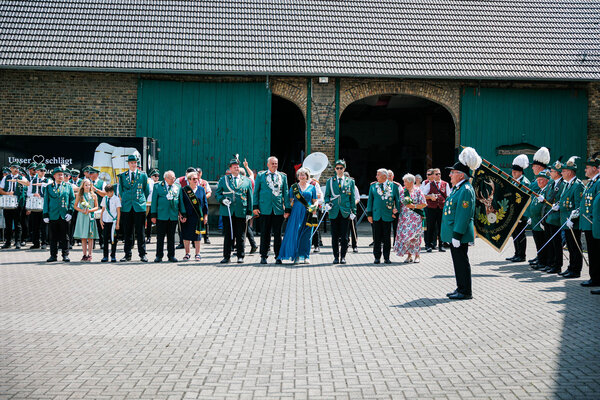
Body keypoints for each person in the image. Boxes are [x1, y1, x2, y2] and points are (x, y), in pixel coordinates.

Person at [441, 147, 481, 300]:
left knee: (461, 262)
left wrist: (457, 235)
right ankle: (460, 287)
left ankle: (465, 291)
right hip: (455, 233)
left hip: (459, 234)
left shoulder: (465, 189)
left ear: (461, 175)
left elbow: (463, 216)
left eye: (453, 172)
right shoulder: (458, 188)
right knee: (458, 262)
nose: (450, 175)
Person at [216, 156, 253, 263]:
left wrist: (249, 212)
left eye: (237, 166)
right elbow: (218, 194)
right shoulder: (224, 180)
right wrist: (222, 200)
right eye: (234, 167)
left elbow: (250, 197)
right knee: (228, 235)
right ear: (230, 169)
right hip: (227, 211)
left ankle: (240, 256)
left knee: (240, 235)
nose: (236, 168)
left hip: (241, 211)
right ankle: (226, 256)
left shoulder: (246, 181)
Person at [253, 156, 290, 264]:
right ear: (268, 164)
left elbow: (286, 193)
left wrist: (287, 208)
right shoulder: (261, 175)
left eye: (276, 163)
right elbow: (256, 192)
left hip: (278, 209)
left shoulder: (282, 176)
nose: (274, 165)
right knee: (265, 233)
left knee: (278, 234)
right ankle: (263, 255)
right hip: (265, 208)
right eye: (272, 163)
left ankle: (278, 256)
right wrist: (255, 206)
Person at [278, 167, 318, 264]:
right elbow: (289, 201)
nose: (302, 176)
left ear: (307, 176)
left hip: (308, 213)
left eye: (304, 175)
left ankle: (306, 256)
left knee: (307, 235)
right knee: (296, 234)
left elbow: (315, 201)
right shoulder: (294, 187)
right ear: (298, 176)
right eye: (300, 175)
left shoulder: (312, 187)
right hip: (296, 213)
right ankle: (296, 256)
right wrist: (286, 210)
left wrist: (314, 207)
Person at [118, 155, 150, 262]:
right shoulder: (123, 176)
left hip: (139, 206)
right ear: (128, 164)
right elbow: (121, 190)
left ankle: (142, 254)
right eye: (131, 163)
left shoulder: (143, 175)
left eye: (135, 162)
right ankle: (127, 254)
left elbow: (146, 190)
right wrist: (126, 199)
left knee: (140, 231)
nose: (133, 164)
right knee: (127, 231)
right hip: (127, 206)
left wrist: (141, 200)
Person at [324, 159, 356, 264]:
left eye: (341, 168)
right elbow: (327, 195)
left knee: (344, 236)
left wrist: (353, 211)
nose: (339, 170)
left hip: (345, 211)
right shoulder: (330, 181)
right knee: (334, 236)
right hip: (334, 211)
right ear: (335, 169)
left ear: (344, 169)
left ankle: (343, 256)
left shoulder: (350, 181)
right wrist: (327, 203)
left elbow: (352, 198)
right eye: (337, 168)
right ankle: (335, 257)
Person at [150, 170, 186, 262]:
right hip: (161, 215)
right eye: (171, 178)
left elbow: (180, 201)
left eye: (174, 178)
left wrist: (183, 213)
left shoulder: (177, 187)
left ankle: (171, 255)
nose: (173, 180)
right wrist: (153, 215)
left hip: (173, 215)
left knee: (171, 237)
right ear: (165, 178)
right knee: (160, 237)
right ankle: (159, 256)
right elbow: (154, 201)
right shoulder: (158, 186)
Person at [367, 168, 400, 264]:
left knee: (387, 237)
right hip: (376, 215)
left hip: (388, 215)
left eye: (378, 175)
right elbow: (370, 201)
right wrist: (369, 214)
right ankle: (377, 257)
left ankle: (386, 257)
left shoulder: (393, 186)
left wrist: (395, 212)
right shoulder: (373, 186)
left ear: (384, 176)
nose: (376, 176)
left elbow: (397, 201)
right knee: (376, 237)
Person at [559, 156, 584, 279]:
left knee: (575, 246)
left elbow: (579, 205)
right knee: (569, 246)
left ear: (569, 172)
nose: (561, 173)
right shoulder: (567, 184)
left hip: (573, 223)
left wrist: (572, 218)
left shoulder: (577, 185)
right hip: (566, 221)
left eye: (563, 171)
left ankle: (575, 270)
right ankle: (570, 267)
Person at [43, 166, 75, 262]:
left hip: (64, 215)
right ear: (54, 176)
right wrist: (45, 214)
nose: (61, 176)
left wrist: (70, 212)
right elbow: (46, 201)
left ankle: (65, 255)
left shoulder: (68, 186)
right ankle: (53, 256)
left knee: (65, 237)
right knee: (53, 237)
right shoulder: (49, 187)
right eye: (59, 175)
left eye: (62, 175)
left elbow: (72, 200)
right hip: (53, 215)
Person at [539, 159, 565, 274]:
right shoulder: (551, 183)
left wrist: (558, 205)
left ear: (558, 173)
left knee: (556, 243)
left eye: (552, 171)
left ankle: (557, 265)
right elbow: (548, 198)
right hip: (548, 216)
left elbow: (562, 199)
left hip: (556, 218)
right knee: (549, 242)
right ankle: (550, 263)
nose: (550, 172)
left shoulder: (563, 184)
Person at [394, 173, 427, 263]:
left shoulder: (418, 191)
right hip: (404, 218)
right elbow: (398, 203)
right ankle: (409, 255)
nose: (404, 183)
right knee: (406, 237)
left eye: (405, 181)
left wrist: (413, 206)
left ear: (411, 182)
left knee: (415, 237)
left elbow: (424, 204)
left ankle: (417, 255)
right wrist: (394, 209)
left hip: (415, 218)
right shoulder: (402, 191)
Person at [578, 153, 600, 287]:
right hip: (588, 223)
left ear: (595, 168)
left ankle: (596, 278)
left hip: (593, 224)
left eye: (587, 167)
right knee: (592, 253)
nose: (585, 170)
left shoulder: (598, 183)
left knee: (595, 253)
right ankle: (594, 277)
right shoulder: (591, 182)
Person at [527, 147, 551, 266]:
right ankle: (540, 257)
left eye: (534, 166)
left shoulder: (544, 179)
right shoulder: (535, 180)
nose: (532, 168)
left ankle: (543, 259)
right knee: (538, 239)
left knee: (542, 239)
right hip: (535, 216)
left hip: (542, 216)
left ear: (540, 167)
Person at [505, 154, 530, 262]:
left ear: (521, 172)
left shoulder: (525, 182)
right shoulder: (513, 181)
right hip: (513, 213)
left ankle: (522, 255)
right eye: (513, 171)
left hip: (521, 214)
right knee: (514, 234)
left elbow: (525, 200)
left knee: (520, 234)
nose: (513, 173)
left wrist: (522, 214)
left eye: (515, 172)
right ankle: (516, 253)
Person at [181, 170, 208, 261]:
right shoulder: (184, 190)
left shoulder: (201, 189)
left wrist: (205, 216)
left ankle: (198, 253)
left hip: (198, 216)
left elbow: (205, 204)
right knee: (186, 235)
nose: (196, 180)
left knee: (197, 236)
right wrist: (181, 215)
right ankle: (187, 253)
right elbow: (181, 204)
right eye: (193, 179)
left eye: (197, 179)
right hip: (187, 216)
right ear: (189, 180)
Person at [421, 168, 449, 252]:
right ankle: (429, 245)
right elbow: (422, 195)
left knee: (441, 227)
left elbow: (448, 196)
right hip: (431, 208)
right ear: (433, 175)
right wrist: (430, 197)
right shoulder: (429, 184)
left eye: (439, 174)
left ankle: (441, 245)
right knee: (430, 227)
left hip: (441, 208)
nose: (438, 175)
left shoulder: (445, 184)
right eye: (436, 174)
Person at [0, 162, 26, 249]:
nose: (16, 169)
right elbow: (0, 190)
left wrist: (19, 181)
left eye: (17, 168)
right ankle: (8, 242)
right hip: (7, 203)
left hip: (18, 203)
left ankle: (18, 242)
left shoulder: (21, 178)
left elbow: (28, 184)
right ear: (10, 168)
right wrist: (7, 193)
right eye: (14, 168)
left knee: (18, 223)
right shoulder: (5, 178)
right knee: (8, 224)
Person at [26, 163, 52, 250]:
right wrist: (34, 194)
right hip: (35, 205)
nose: (43, 172)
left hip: (44, 205)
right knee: (35, 225)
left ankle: (44, 242)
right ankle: (36, 243)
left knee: (44, 225)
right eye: (41, 170)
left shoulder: (48, 181)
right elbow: (28, 193)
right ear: (37, 171)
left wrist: (43, 194)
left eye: (44, 170)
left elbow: (51, 192)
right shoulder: (32, 181)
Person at [73, 179, 100, 261]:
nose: (88, 187)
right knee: (83, 237)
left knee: (90, 236)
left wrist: (90, 210)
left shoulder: (94, 195)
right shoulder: (79, 195)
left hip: (90, 216)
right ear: (83, 186)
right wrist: (82, 210)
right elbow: (75, 206)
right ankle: (84, 254)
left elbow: (96, 207)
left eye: (89, 185)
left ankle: (90, 254)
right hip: (82, 216)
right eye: (86, 185)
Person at [99, 184, 120, 262]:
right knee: (105, 239)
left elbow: (118, 212)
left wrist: (117, 223)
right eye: (107, 192)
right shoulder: (105, 198)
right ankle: (105, 256)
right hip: (106, 221)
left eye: (109, 192)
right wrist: (101, 220)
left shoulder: (116, 199)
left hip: (113, 222)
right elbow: (103, 209)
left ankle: (113, 255)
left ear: (112, 191)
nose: (108, 194)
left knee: (113, 239)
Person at [345, 171, 361, 253]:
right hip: (344, 210)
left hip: (351, 210)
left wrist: (352, 204)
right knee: (345, 229)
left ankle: (355, 245)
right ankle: (346, 244)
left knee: (353, 228)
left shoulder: (354, 187)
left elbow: (357, 198)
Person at [309, 172, 324, 253]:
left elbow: (320, 197)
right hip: (304, 208)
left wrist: (315, 204)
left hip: (313, 207)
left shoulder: (314, 184)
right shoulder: (299, 184)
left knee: (315, 226)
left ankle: (316, 245)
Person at [197, 168, 212, 244]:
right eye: (197, 172)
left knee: (205, 221)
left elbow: (209, 192)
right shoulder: (192, 181)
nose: (198, 174)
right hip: (194, 204)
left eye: (199, 172)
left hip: (202, 204)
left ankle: (206, 238)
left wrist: (204, 197)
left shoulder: (204, 182)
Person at [387, 170, 402, 244]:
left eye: (390, 176)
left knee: (396, 227)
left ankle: (396, 243)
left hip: (395, 210)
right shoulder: (382, 185)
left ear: (393, 177)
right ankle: (386, 243)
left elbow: (401, 197)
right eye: (387, 176)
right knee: (386, 228)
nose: (388, 177)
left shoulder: (397, 185)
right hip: (386, 210)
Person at [145, 169, 159, 243]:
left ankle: (156, 237)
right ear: (151, 176)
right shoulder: (149, 181)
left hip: (154, 204)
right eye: (155, 176)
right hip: (147, 204)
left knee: (156, 221)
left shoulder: (158, 184)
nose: (157, 177)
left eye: (158, 176)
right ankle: (148, 237)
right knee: (148, 221)